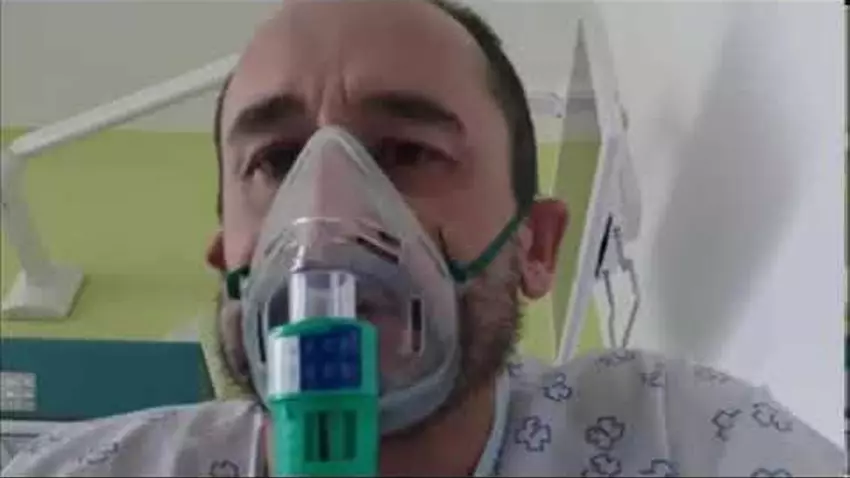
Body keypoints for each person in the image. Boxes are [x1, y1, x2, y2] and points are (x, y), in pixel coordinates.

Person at [3, 0, 844, 476]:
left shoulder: (687, 438)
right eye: (277, 161)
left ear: (535, 246)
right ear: (227, 255)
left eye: (407, 151)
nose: (325, 211)